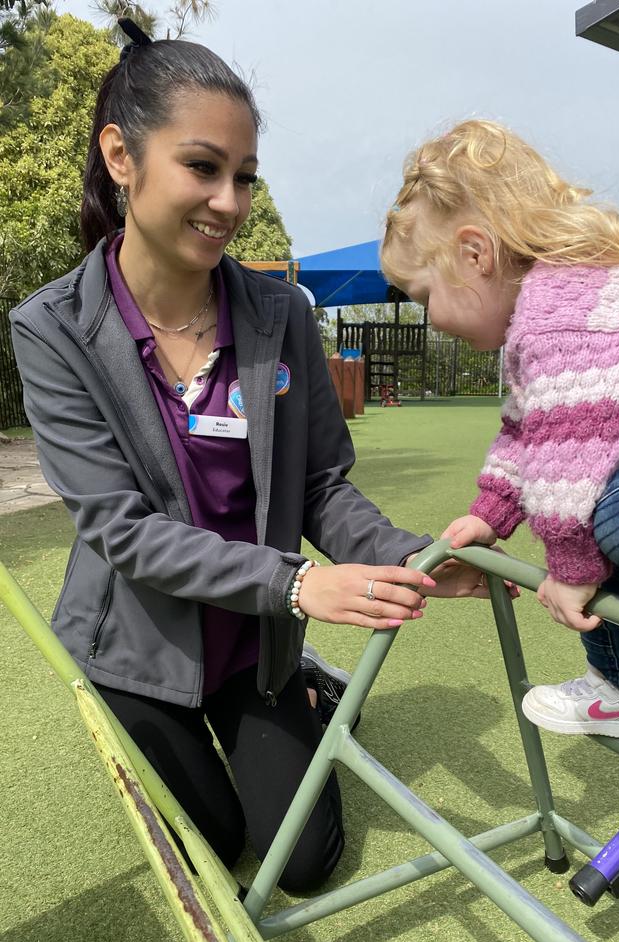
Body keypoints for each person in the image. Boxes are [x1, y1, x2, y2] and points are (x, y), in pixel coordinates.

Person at [10, 22, 488, 894]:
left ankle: (300, 684)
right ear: (122, 155)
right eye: (203, 167)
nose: (229, 201)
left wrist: (403, 557)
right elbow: (123, 531)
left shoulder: (279, 316)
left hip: (254, 641)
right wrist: (300, 584)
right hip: (138, 647)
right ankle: (202, 719)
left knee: (303, 865)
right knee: (214, 839)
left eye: (244, 177)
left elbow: (318, 486)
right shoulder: (53, 329)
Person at [381, 118, 619, 741]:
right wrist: (494, 509)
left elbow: (571, 460)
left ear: (474, 255)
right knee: (604, 510)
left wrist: (569, 565)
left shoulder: (565, 305)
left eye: (423, 295)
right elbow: (530, 430)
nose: (428, 319)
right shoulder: (548, 307)